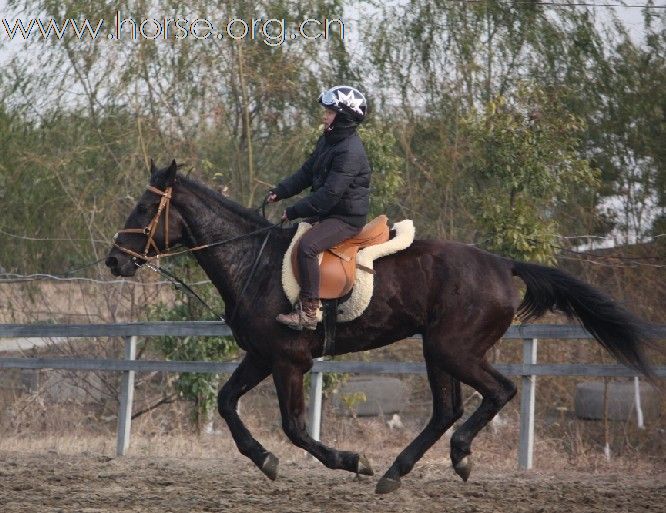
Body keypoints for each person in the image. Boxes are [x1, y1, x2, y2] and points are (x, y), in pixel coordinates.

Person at [267, 85, 371, 330]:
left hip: (345, 219)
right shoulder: (329, 140)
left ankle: (309, 311)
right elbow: (306, 172)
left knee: (307, 247)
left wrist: (293, 211)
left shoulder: (350, 151)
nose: (324, 116)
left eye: (330, 112)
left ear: (343, 117)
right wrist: (280, 191)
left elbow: (329, 196)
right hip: (329, 213)